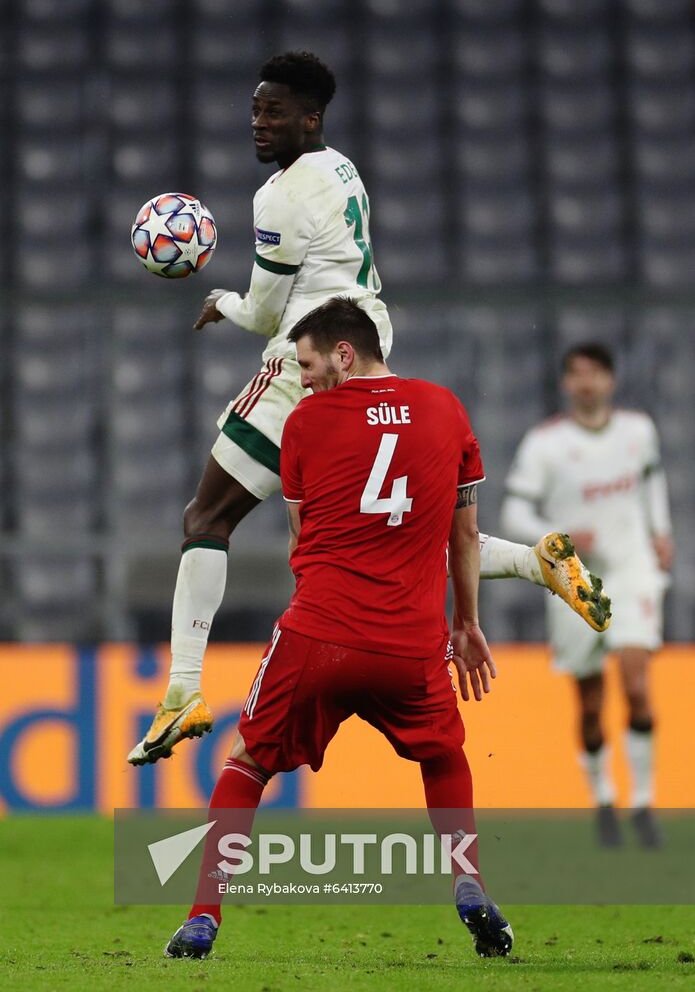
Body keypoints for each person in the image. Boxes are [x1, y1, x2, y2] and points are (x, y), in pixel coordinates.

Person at [127, 51, 608, 767]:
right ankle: (537, 563)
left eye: (274, 112)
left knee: (206, 518)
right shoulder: (343, 168)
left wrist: (219, 302)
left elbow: (265, 314)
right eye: (255, 110)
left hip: (308, 363)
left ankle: (182, 692)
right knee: (385, 536)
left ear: (309, 118)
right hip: (368, 348)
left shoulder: (278, 197)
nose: (258, 123)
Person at [164, 296, 513, 960]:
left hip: (318, 636)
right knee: (441, 754)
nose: (302, 377)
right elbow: (463, 535)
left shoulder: (304, 421)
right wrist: (465, 623)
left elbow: (303, 533)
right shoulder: (445, 408)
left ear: (343, 353)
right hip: (411, 644)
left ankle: (202, 916)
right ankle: (468, 884)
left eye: (307, 363)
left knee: (247, 762)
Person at [500, 342, 672, 847]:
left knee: (637, 685)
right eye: (577, 374)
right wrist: (565, 533)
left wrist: (660, 532)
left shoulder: (639, 431)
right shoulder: (544, 444)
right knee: (591, 705)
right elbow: (515, 514)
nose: (586, 383)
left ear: (610, 380)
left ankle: (642, 803)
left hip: (633, 567)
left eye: (595, 373)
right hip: (575, 579)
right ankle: (603, 799)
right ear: (566, 384)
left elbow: (652, 485)